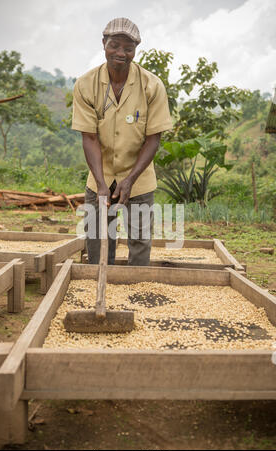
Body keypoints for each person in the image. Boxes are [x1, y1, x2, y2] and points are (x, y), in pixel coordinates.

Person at [72, 17, 172, 265]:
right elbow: (90, 137)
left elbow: (153, 139)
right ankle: (99, 290)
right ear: (104, 44)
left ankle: (136, 294)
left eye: (128, 49)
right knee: (97, 243)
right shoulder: (86, 85)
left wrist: (129, 180)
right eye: (114, 45)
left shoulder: (152, 86)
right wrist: (101, 185)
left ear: (135, 50)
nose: (121, 53)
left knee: (139, 242)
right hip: (100, 177)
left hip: (138, 178)